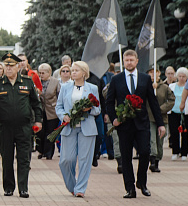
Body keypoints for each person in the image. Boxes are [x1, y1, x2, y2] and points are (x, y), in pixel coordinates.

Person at [105, 49, 164, 198]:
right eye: (126, 60)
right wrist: (114, 119)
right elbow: (110, 101)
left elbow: (153, 102)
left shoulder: (145, 79)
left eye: (132, 60)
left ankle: (142, 183)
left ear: (137, 61)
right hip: (124, 124)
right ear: (123, 62)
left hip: (142, 123)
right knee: (126, 157)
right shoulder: (116, 80)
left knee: (145, 152)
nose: (129, 63)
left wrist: (160, 123)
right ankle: (129, 188)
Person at [0, 52, 41, 198]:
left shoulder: (27, 82)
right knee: (7, 157)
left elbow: (36, 104)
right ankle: (8, 187)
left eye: (12, 66)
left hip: (24, 127)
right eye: (7, 66)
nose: (9, 69)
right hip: (5, 127)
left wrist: (38, 121)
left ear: (18, 67)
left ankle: (23, 188)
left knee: (24, 159)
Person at [56, 60, 102, 197]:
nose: (73, 72)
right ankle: (72, 185)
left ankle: (80, 189)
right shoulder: (65, 87)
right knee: (66, 160)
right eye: (72, 70)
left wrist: (89, 109)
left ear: (84, 73)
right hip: (69, 127)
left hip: (87, 128)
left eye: (76, 70)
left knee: (84, 160)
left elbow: (98, 109)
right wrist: (63, 116)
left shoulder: (92, 88)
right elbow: (58, 107)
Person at [150, 67, 174, 173]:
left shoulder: (164, 87)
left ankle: (157, 160)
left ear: (159, 73)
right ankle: (152, 162)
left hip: (161, 118)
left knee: (159, 141)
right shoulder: (145, 86)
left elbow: (172, 100)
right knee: (152, 140)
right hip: (149, 118)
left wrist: (161, 109)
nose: (152, 75)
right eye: (150, 73)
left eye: (154, 72)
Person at [36, 63, 61, 160]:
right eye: (40, 73)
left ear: (49, 72)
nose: (41, 75)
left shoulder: (55, 82)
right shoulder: (37, 82)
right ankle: (41, 150)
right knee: (40, 132)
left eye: (43, 73)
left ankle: (48, 152)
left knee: (50, 132)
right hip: (40, 110)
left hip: (52, 111)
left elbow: (59, 96)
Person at [169, 67, 188, 160]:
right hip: (173, 112)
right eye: (180, 76)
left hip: (185, 113)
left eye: (184, 76)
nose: (181, 78)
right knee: (174, 132)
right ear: (177, 76)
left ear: (186, 77)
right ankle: (175, 151)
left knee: (185, 132)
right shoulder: (171, 86)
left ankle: (184, 153)